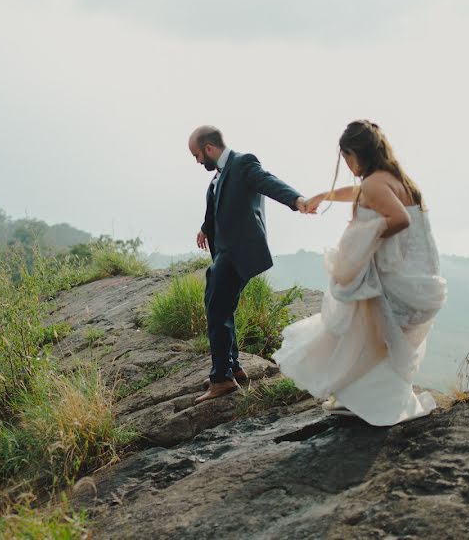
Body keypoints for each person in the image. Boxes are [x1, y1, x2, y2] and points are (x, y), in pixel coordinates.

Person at [274, 120, 447, 425]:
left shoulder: (375, 183)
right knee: (371, 336)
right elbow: (361, 194)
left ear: (355, 153)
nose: (346, 164)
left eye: (346, 158)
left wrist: (364, 236)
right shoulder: (393, 179)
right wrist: (323, 196)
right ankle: (364, 397)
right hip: (418, 280)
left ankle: (369, 400)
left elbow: (398, 219)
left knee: (356, 331)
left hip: (397, 281)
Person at [188, 125, 308, 404]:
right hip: (223, 253)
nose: (197, 162)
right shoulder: (218, 176)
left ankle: (222, 379)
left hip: (237, 252)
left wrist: (297, 200)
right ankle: (233, 368)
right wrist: (205, 228)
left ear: (208, 148)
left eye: (196, 155)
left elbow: (268, 182)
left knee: (217, 310)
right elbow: (218, 206)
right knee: (218, 305)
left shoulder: (243, 163)